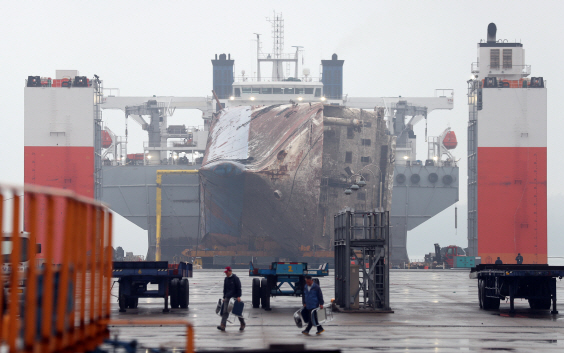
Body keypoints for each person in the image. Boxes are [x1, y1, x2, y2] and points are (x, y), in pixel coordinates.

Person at [217, 266, 246, 332]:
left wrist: (238, 296)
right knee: (225, 311)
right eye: (225, 273)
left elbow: (239, 288)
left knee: (237, 312)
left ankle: (242, 323)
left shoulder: (236, 278)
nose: (226, 274)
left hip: (234, 297)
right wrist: (224, 297)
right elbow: (224, 289)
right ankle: (222, 326)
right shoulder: (226, 279)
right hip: (227, 297)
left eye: (227, 272)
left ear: (230, 271)